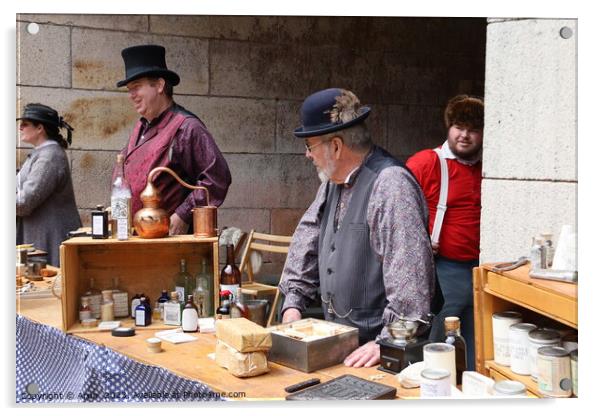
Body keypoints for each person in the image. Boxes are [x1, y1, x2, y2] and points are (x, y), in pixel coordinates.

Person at [278, 88, 436, 367]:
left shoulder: (391, 185)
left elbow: (411, 287)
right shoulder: (331, 183)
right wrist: (293, 304)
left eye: (310, 146)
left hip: (381, 356)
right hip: (340, 350)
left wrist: (386, 342)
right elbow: (308, 238)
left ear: (336, 147)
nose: (307, 155)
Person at [114, 44, 231, 234]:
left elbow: (217, 177)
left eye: (136, 87)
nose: (131, 96)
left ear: (159, 85)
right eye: (129, 89)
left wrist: (183, 214)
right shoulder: (141, 126)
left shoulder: (187, 127)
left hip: (170, 241)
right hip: (138, 239)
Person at [406, 94, 484, 371]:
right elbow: (398, 209)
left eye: (473, 129)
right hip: (443, 272)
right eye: (458, 127)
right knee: (438, 350)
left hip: (481, 272)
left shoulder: (487, 169)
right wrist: (420, 240)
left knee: (477, 348)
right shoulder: (427, 162)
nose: (464, 135)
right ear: (448, 128)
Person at [16, 103, 82, 267]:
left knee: (52, 289)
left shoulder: (50, 156)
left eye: (25, 124)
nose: (20, 128)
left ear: (40, 128)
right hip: (38, 235)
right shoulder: (41, 153)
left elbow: (25, 202)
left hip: (50, 239)